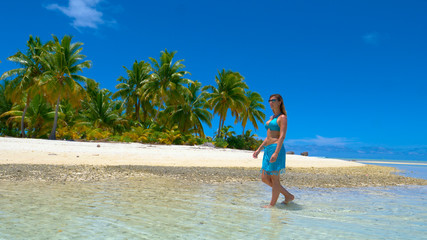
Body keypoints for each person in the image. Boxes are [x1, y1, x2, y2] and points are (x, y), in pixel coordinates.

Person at [253, 94, 294, 208]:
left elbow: (282, 136)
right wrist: (258, 149)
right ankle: (288, 195)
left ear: (280, 102)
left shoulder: (282, 118)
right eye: (269, 100)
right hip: (267, 149)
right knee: (264, 178)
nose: (271, 102)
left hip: (276, 148)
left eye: (273, 100)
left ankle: (272, 205)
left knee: (275, 180)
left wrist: (276, 152)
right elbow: (267, 137)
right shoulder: (271, 118)